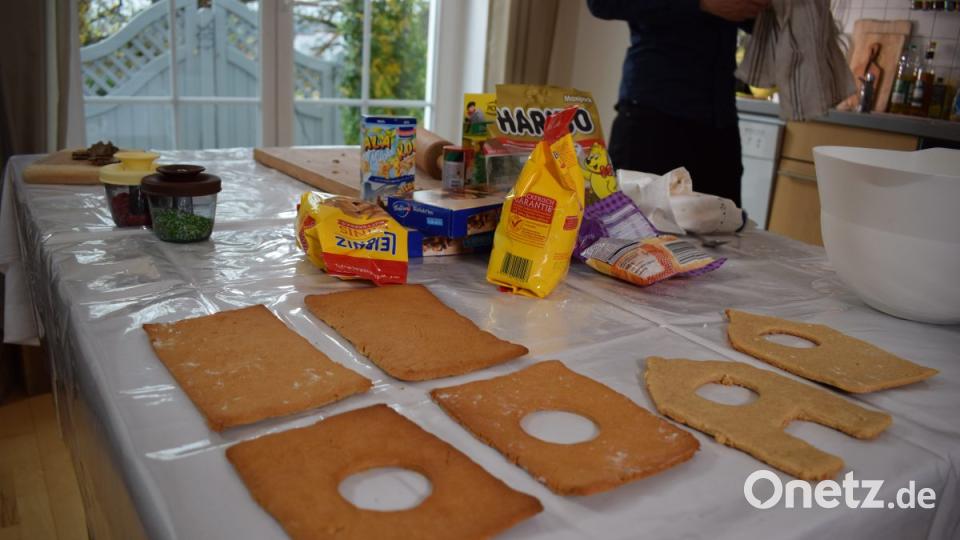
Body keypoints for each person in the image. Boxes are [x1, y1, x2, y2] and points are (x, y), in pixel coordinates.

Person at [586, 0, 771, 207]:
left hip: (719, 120)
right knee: (634, 232)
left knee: (723, 232)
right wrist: (702, 3)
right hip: (654, 115)